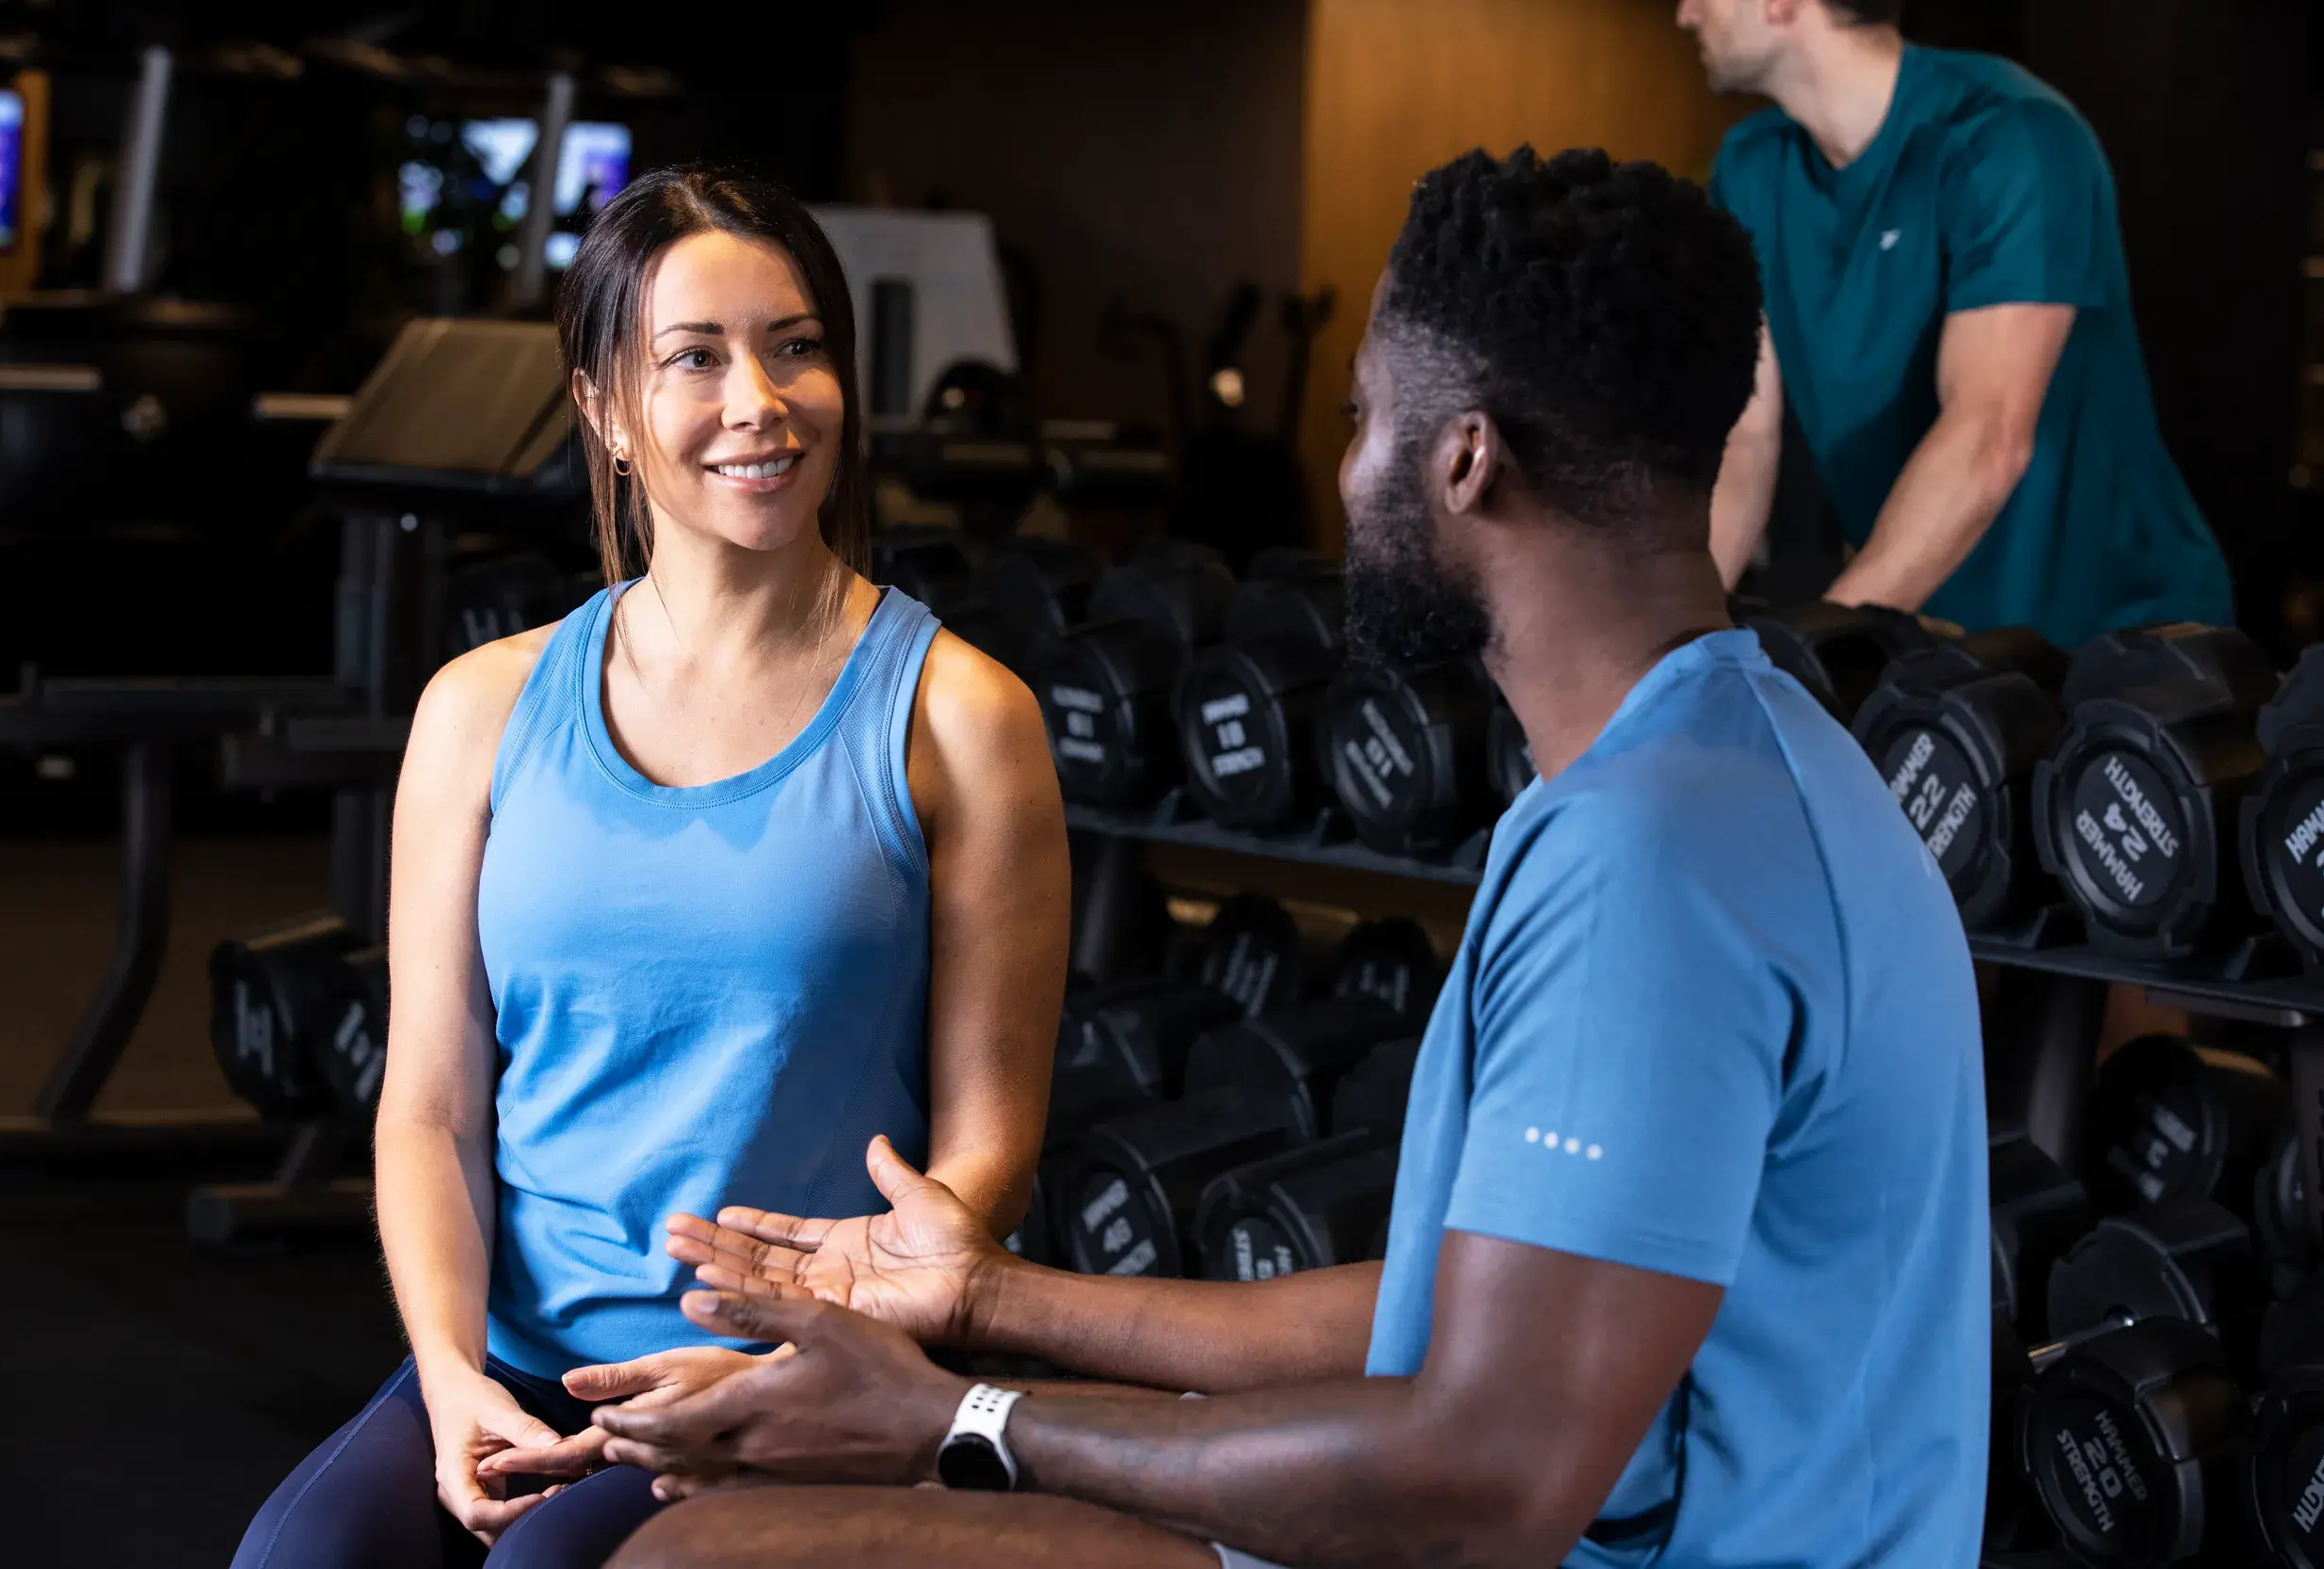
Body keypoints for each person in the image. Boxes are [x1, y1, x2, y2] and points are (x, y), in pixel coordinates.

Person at [585, 147, 1990, 1569]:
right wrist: (987, 1298)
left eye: (1364, 416)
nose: (1345, 467)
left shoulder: (1651, 867)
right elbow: (1473, 1305)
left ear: (1465, 457)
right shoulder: (1740, 757)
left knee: (699, 1558)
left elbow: (1480, 1484)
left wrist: (961, 1421)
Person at [228, 166, 1067, 1569]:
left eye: (796, 347)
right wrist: (447, 1375)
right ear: (607, 407)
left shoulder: (963, 717)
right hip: (518, 1355)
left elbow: (992, 1149)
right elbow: (429, 1107)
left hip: (791, 1373)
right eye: (695, 356)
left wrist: (824, 1347)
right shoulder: (479, 709)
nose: (761, 400)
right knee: (298, 1559)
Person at [1678, 0, 2232, 648]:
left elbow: (1987, 437)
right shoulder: (1752, 165)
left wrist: (1815, 656)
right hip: (1927, 622)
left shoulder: (2012, 135)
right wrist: (1663, 655)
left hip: (2120, 634)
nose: (1686, 15)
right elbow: (1744, 440)